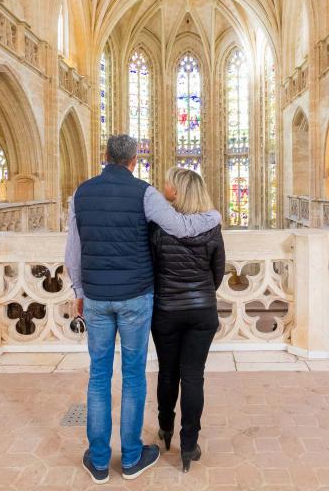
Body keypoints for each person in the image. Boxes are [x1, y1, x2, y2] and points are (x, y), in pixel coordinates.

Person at [64, 135, 221, 485]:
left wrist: (78, 291)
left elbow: (72, 252)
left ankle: (100, 461)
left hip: (96, 298)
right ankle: (132, 458)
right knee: (134, 377)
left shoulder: (81, 194)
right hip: (136, 296)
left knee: (98, 377)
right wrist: (213, 216)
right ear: (135, 160)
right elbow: (180, 227)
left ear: (104, 156)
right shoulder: (146, 193)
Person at [150, 166, 225, 473]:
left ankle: (165, 428)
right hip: (202, 311)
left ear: (177, 191)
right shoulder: (212, 227)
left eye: (168, 183)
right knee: (194, 376)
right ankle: (189, 445)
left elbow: (152, 268)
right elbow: (217, 271)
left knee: (168, 372)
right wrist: (202, 294)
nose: (163, 185)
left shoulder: (158, 227)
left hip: (166, 309)